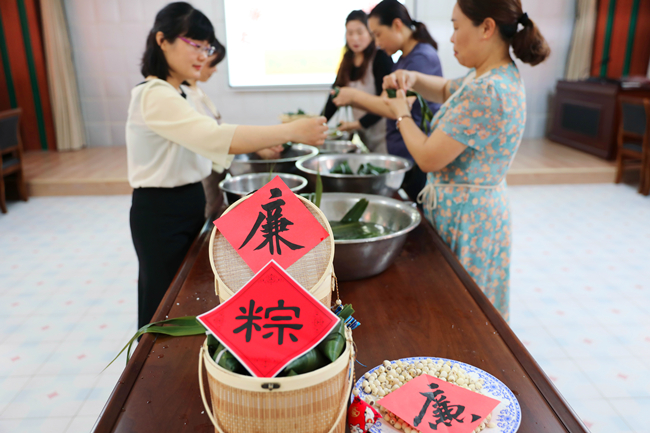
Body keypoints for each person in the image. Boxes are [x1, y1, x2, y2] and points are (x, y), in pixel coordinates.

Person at [127, 2, 327, 328]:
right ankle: (149, 358)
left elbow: (205, 141)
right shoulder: (154, 94)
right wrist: (291, 130)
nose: (203, 56)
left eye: (206, 48)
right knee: (162, 300)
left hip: (186, 199)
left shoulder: (179, 92)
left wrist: (261, 144)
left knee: (181, 292)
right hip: (161, 210)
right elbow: (214, 136)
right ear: (162, 40)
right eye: (195, 45)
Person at [381, 0, 551, 319]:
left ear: (486, 28)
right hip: (474, 210)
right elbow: (448, 89)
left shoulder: (490, 91)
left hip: (468, 218)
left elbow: (428, 158)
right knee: (461, 306)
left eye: (457, 27)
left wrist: (401, 113)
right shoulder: (488, 77)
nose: (451, 37)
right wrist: (412, 78)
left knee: (461, 313)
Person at [332, 0, 443, 200]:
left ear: (397, 25)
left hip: (417, 155)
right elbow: (387, 102)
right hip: (403, 152)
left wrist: (354, 97)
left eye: (378, 34)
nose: (377, 42)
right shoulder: (403, 59)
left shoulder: (422, 58)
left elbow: (395, 108)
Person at [181, 42, 283, 216]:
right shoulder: (183, 96)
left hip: (212, 176)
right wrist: (259, 144)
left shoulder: (196, 91)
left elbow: (220, 130)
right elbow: (213, 138)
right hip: (200, 178)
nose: (215, 70)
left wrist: (258, 144)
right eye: (212, 63)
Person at [322, 10, 393, 153]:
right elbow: (335, 94)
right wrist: (320, 122)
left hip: (385, 136)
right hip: (365, 136)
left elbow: (385, 104)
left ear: (370, 33)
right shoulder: (348, 60)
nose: (354, 38)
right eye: (350, 33)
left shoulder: (381, 58)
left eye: (360, 32)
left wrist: (356, 124)